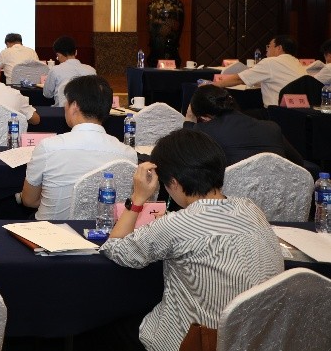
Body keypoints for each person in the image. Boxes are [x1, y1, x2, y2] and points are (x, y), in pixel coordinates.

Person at [101, 129, 283, 351]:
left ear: (173, 183)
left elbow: (115, 249)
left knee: (105, 328)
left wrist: (138, 198)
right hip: (258, 339)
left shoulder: (180, 224)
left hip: (199, 343)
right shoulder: (252, 209)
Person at [21, 75, 137, 220]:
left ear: (74, 106)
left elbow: (29, 200)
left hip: (52, 230)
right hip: (107, 232)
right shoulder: (128, 154)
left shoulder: (48, 147)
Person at [185, 84, 304, 167]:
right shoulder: (272, 127)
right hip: (280, 193)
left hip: (232, 195)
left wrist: (189, 120)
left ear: (205, 117)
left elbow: (185, 156)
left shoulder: (205, 131)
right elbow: (298, 162)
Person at [213, 34, 306, 107]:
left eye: (269, 46)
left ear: (279, 48)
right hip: (298, 113)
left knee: (240, 112)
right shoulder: (297, 63)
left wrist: (213, 85)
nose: (267, 50)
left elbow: (239, 79)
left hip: (276, 113)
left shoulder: (270, 62)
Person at [42, 36, 96, 106]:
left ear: (58, 54)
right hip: (87, 110)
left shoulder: (55, 70)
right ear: (76, 52)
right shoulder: (91, 70)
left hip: (62, 111)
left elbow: (47, 94)